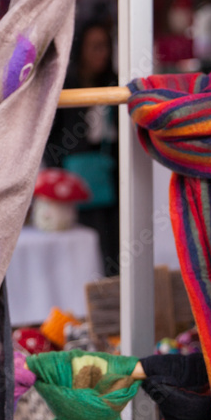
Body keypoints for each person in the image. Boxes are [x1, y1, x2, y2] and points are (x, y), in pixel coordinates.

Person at [43, 18, 120, 276]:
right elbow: (50, 136)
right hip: (73, 187)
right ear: (82, 50)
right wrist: (60, 176)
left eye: (105, 46)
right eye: (95, 47)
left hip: (111, 184)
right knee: (79, 251)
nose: (102, 53)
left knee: (112, 246)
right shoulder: (67, 88)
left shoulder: (116, 85)